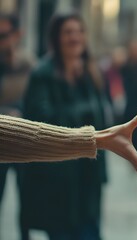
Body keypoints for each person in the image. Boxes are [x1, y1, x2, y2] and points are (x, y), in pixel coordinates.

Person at [22, 13, 109, 240]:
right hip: (58, 175)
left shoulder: (90, 72)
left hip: (88, 173)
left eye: (79, 31)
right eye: (68, 32)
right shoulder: (43, 73)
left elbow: (103, 117)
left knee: (91, 232)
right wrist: (84, 119)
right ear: (57, 38)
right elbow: (41, 120)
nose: (75, 37)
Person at [0, 113, 137, 176]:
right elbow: (9, 138)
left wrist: (102, 138)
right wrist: (101, 138)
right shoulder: (42, 74)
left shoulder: (90, 72)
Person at [0, 13, 33, 238]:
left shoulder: (28, 64)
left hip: (23, 142)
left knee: (27, 199)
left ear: (17, 35)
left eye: (3, 35)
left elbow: (37, 101)